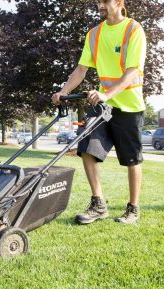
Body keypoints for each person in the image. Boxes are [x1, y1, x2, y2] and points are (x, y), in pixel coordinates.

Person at [52, 0, 146, 224]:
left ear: (119, 2)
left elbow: (133, 70)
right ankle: (99, 204)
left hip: (129, 106)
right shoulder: (94, 34)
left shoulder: (134, 30)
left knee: (131, 159)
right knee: (87, 148)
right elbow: (82, 68)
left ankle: (133, 208)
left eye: (105, 1)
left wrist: (107, 93)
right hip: (104, 107)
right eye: (98, 2)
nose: (100, 5)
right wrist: (63, 91)